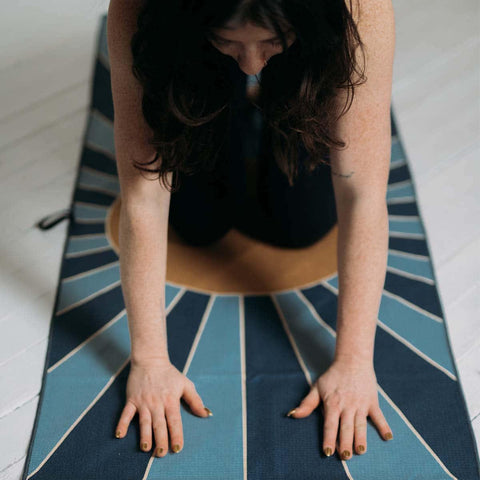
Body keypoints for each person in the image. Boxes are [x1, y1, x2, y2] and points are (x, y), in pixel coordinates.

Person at [107, 0, 396, 461]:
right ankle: (230, 109)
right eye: (230, 41)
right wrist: (150, 361)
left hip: (307, 53)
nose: (252, 62)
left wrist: (355, 361)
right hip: (190, 51)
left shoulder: (361, 8)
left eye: (270, 42)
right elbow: (144, 194)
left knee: (299, 226)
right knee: (198, 226)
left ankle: (277, 89)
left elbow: (361, 194)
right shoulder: (139, 8)